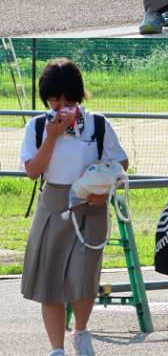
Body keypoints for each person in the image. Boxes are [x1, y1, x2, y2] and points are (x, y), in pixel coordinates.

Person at [20, 58, 129, 356]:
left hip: (91, 206)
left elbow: (121, 163)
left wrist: (103, 193)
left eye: (68, 99)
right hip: (53, 206)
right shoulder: (38, 126)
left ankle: (80, 331)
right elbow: (32, 171)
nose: (61, 106)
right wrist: (52, 137)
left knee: (84, 278)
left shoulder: (98, 124)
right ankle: (57, 348)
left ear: (79, 96)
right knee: (50, 280)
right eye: (55, 99)